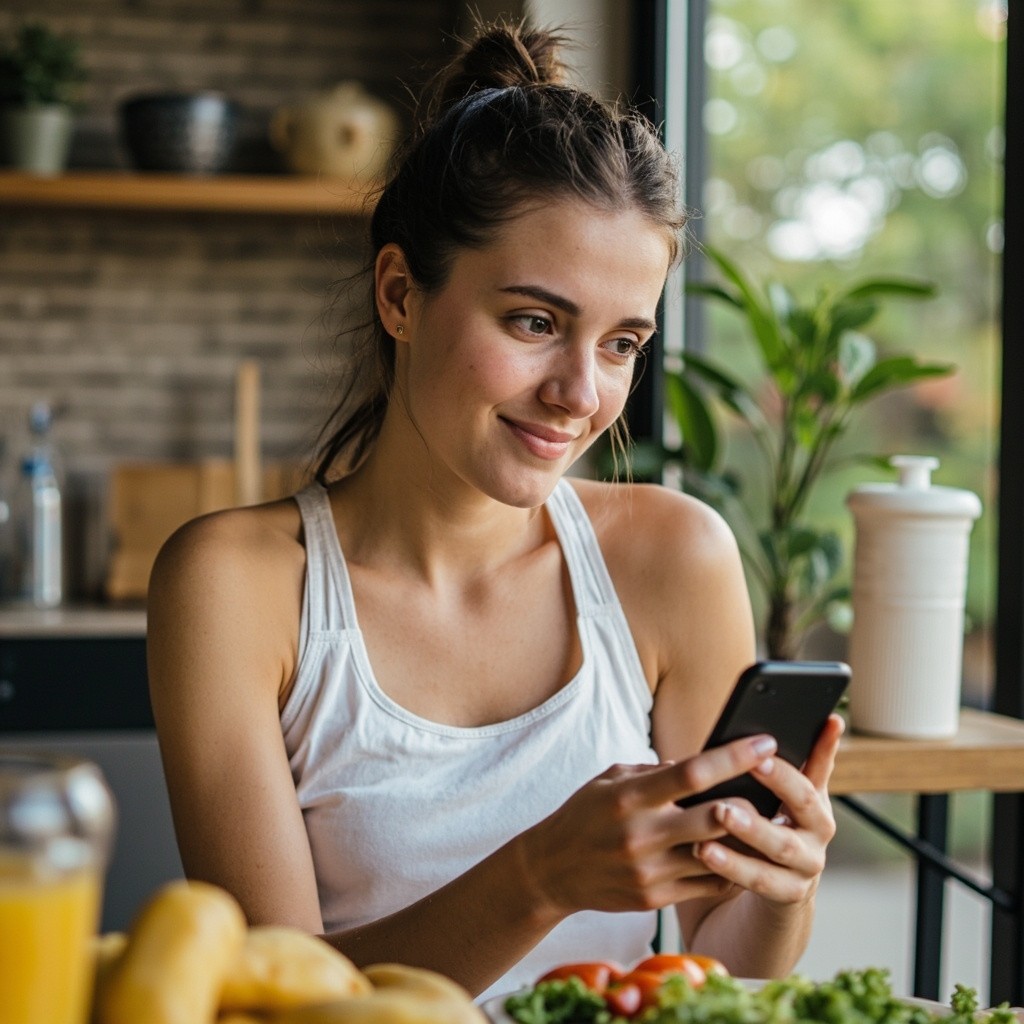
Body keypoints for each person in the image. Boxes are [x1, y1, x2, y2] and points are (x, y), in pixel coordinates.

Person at [147, 19, 844, 1004]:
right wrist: (540, 876)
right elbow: (277, 998)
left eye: (620, 343)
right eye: (534, 322)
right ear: (400, 292)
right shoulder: (237, 585)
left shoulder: (672, 557)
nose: (579, 392)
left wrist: (782, 884)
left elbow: (720, 972)